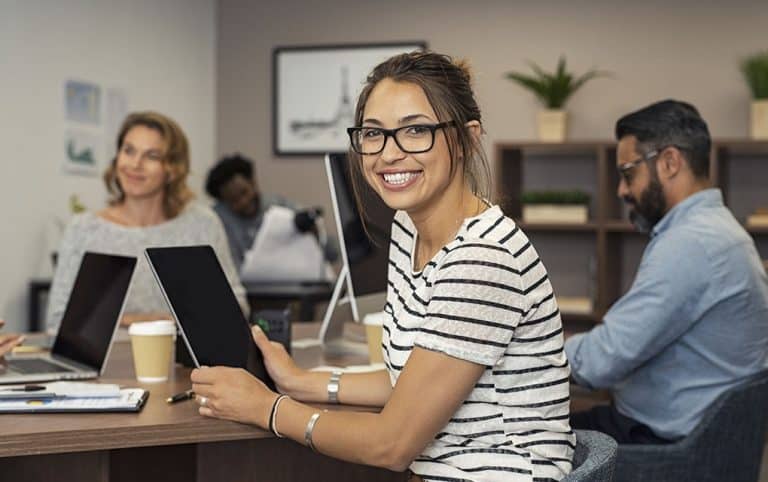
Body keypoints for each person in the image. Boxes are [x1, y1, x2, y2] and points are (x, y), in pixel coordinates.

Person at [191, 51, 573, 482]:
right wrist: (302, 382)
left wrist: (267, 408)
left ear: (467, 139)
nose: (388, 154)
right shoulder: (409, 229)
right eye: (374, 134)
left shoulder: (482, 258)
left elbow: (392, 443)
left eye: (416, 131)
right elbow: (409, 379)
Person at [566, 100, 768, 444]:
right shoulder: (721, 231)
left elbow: (602, 361)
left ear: (670, 162)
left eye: (628, 173)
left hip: (662, 446)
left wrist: (536, 349)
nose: (622, 190)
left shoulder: (691, 243)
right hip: (704, 441)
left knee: (519, 439)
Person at [46, 111, 248, 332]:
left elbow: (236, 308)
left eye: (152, 156)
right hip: (105, 364)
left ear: (172, 169)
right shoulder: (83, 229)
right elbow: (57, 322)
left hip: (182, 364)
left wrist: (121, 320)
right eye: (128, 150)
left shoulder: (202, 225)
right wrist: (148, 321)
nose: (135, 164)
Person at [205, 154, 337, 273]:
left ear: (253, 182)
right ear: (223, 202)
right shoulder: (218, 219)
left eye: (244, 192)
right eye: (234, 200)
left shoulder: (282, 208)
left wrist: (316, 234)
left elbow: (334, 253)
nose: (243, 202)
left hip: (290, 289)